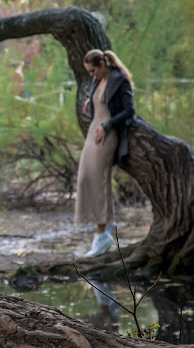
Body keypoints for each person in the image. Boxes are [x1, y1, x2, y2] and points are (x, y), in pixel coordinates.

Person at [75, 49, 135, 258]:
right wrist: (90, 102)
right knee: (84, 178)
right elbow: (99, 99)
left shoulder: (120, 80)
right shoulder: (96, 80)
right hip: (94, 129)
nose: (91, 75)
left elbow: (129, 111)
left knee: (100, 180)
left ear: (102, 64)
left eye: (93, 70)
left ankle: (101, 235)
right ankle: (108, 224)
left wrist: (108, 126)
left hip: (107, 133)